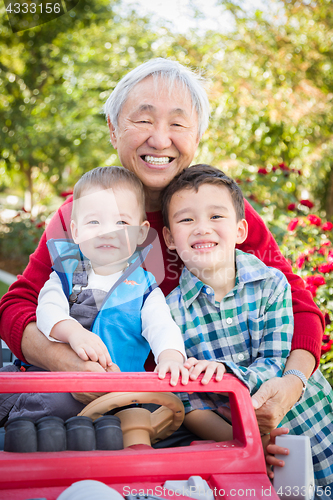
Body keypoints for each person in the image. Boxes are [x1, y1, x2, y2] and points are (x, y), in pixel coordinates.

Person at [0, 58, 324, 436]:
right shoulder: (81, 219)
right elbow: (17, 307)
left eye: (177, 123)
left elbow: (298, 303)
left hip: (215, 406)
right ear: (113, 129)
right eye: (143, 120)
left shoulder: (218, 214)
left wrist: (293, 382)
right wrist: (65, 361)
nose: (160, 139)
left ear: (197, 135)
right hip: (122, 413)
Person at [162, 164, 333, 491]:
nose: (202, 228)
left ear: (241, 230)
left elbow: (276, 364)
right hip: (247, 449)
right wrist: (245, 441)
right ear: (170, 237)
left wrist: (221, 373)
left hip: (313, 425)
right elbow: (188, 402)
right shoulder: (169, 312)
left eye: (216, 217)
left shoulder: (271, 285)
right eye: (186, 219)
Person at [36, 166, 187, 403]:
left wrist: (170, 357)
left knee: (133, 423)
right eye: (94, 221)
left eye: (121, 222)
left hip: (120, 396)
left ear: (140, 233)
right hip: (59, 391)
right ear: (75, 231)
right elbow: (46, 311)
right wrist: (73, 332)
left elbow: (162, 326)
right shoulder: (64, 275)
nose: (107, 232)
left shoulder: (144, 289)